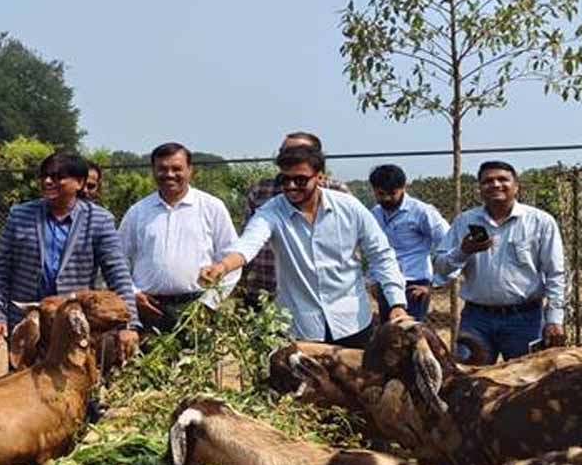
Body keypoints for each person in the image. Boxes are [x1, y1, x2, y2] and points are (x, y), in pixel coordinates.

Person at [201, 145, 408, 347]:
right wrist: (222, 267)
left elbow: (381, 255)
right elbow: (248, 244)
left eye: (300, 180)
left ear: (320, 177)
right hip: (300, 329)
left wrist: (396, 303)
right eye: (285, 179)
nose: (291, 186)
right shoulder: (271, 212)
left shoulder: (350, 208)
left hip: (353, 323)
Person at [0, 151, 140, 353]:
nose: (48, 181)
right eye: (44, 176)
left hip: (72, 325)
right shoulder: (20, 215)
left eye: (58, 177)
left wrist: (129, 324)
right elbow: (0, 272)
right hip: (25, 324)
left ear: (79, 182)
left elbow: (117, 274)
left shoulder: (99, 220)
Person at [434, 160, 566, 363]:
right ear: (480, 188)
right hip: (477, 319)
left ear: (516, 186)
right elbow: (440, 267)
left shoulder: (540, 222)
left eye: (502, 179)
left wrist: (554, 319)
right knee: (468, 378)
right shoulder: (465, 222)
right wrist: (463, 251)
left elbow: (555, 273)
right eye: (488, 181)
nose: (495, 185)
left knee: (525, 378)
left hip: (525, 319)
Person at [118, 142, 241, 333]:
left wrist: (209, 304)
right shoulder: (137, 212)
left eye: (176, 169)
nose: (169, 174)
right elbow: (118, 260)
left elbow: (232, 259)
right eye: (162, 169)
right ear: (153, 170)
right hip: (148, 308)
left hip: (198, 310)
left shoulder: (212, 207)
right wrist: (132, 294)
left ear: (190, 170)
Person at [241, 132, 352, 308]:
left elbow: (355, 245)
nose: (290, 156)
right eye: (284, 151)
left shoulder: (337, 193)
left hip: (321, 297)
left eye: (297, 151)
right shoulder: (261, 190)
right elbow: (247, 241)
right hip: (264, 291)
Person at [367, 163, 450, 322]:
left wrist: (434, 284)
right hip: (385, 282)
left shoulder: (421, 212)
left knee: (409, 333)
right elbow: (373, 250)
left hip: (414, 286)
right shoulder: (374, 214)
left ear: (404, 187)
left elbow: (449, 243)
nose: (387, 198)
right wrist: (372, 280)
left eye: (392, 193)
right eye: (381, 193)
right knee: (388, 332)